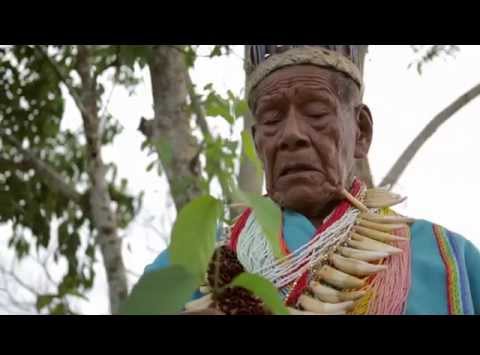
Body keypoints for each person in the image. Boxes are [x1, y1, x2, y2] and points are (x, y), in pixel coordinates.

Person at [144, 45, 480, 315]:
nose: (292, 135)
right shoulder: (193, 265)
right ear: (258, 142)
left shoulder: (447, 258)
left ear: (361, 132)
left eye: (317, 113)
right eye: (273, 119)